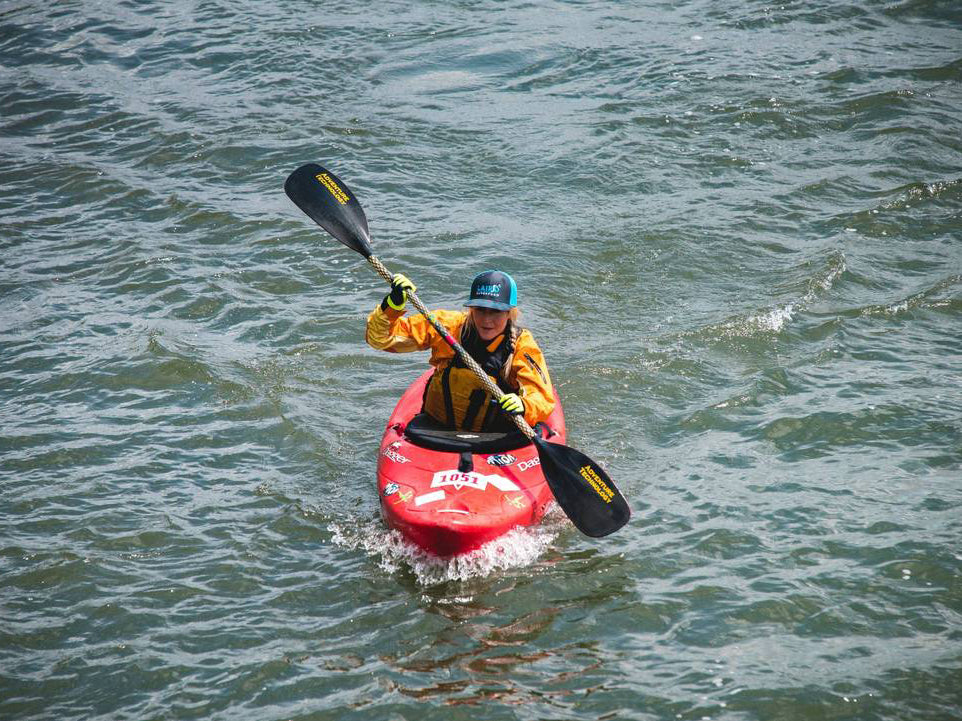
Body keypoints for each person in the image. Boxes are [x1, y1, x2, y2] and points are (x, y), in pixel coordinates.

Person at [366, 270, 555, 433]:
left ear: (510, 313)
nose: (487, 320)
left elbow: (541, 398)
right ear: (471, 309)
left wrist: (524, 405)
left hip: (495, 438)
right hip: (436, 429)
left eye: (495, 311)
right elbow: (380, 339)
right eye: (480, 310)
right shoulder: (447, 326)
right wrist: (393, 305)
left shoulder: (523, 345)